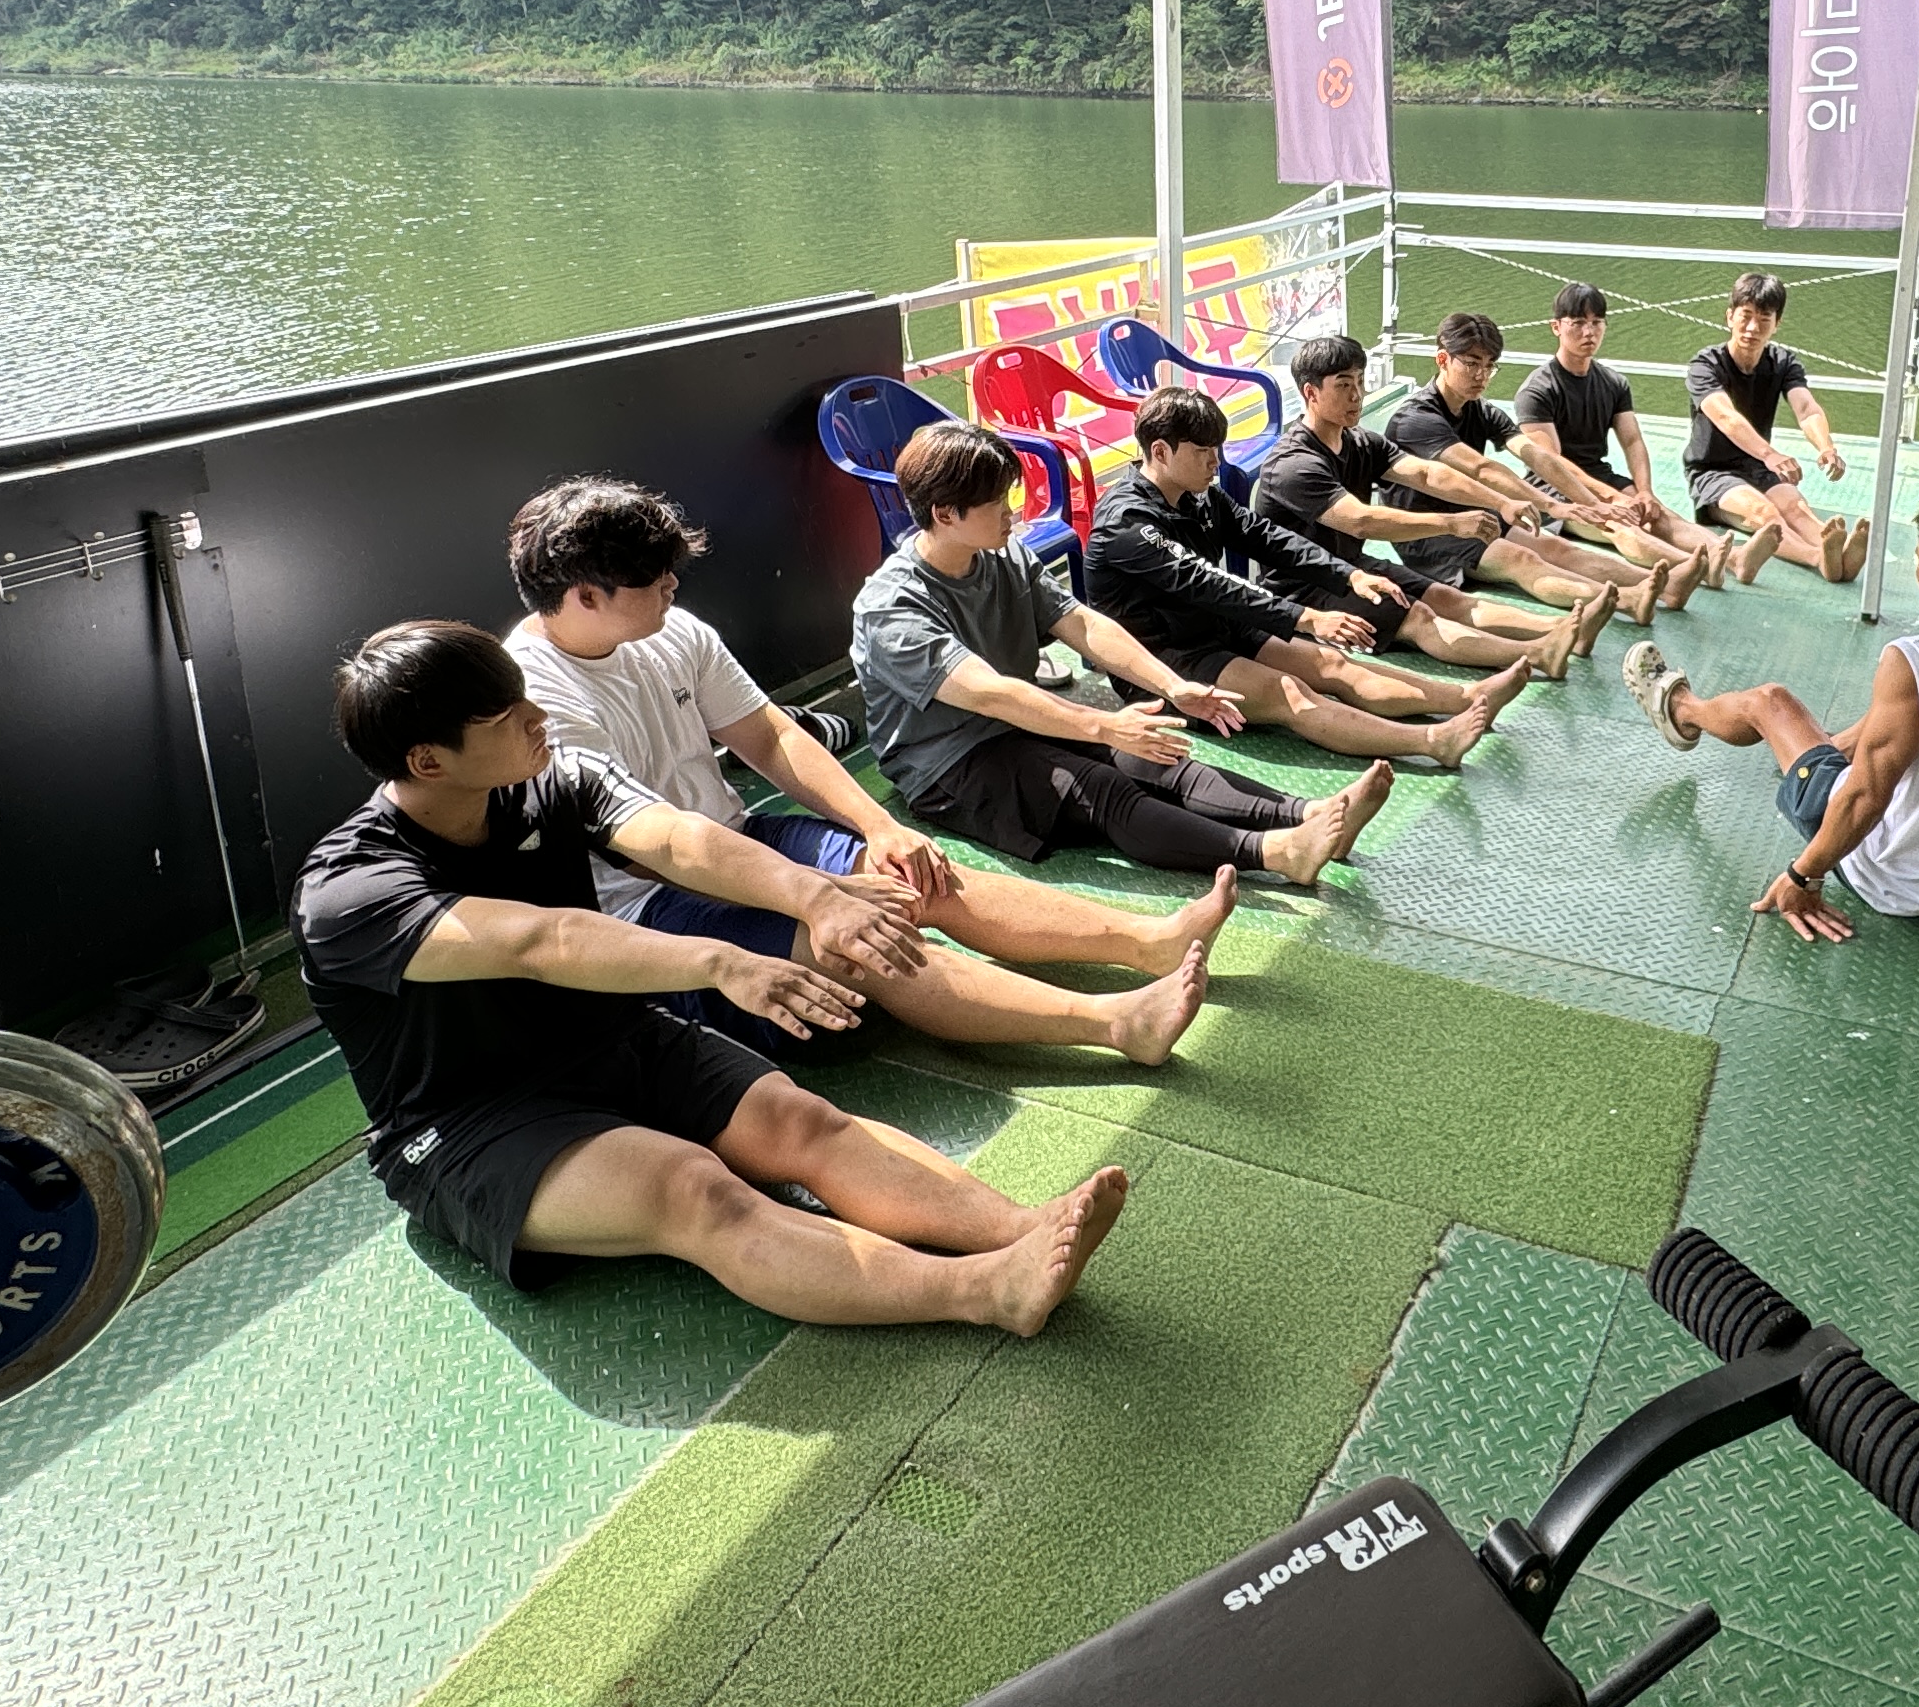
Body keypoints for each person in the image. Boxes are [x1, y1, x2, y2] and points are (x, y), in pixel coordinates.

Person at [295, 620, 1125, 1333]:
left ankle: (1019, 1228)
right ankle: (984, 1292)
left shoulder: (552, 777)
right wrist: (721, 961)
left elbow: (676, 838)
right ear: (428, 760)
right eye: (508, 716)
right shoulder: (350, 891)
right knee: (695, 1190)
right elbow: (540, 942)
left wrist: (817, 899)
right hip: (474, 1118)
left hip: (609, 1039)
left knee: (806, 1121)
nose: (538, 716)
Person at [499, 476, 1221, 1066]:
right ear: (585, 595)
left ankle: (1147, 940)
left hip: (737, 836)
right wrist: (817, 896)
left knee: (914, 872)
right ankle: (1115, 1023)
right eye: (654, 580)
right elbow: (650, 851)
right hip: (646, 901)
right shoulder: (534, 699)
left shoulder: (674, 633)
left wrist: (879, 828)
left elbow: (770, 737)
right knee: (864, 942)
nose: (672, 588)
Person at [855, 420, 1392, 884]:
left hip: (1017, 723)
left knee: (1159, 756)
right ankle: (1276, 853)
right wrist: (1105, 726)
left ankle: (1309, 813)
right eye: (997, 502)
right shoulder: (892, 606)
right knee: (1105, 787)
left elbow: (1082, 622)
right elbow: (989, 694)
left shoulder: (1002, 557)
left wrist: (1172, 685)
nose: (1011, 513)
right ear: (946, 513)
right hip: (948, 761)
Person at [1619, 491, 1919, 941]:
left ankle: (1680, 709)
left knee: (1770, 702)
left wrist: (1802, 877)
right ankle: (1832, 747)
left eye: (1918, 561)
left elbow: (1864, 796)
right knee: (1907, 717)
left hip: (1894, 881)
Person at [1087, 387, 1529, 767]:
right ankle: (1433, 742)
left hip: (1210, 624)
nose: (1215, 462)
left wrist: (1349, 577)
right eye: (1203, 452)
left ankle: (1467, 697)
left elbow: (1263, 536)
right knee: (1290, 693)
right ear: (1160, 452)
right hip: (1162, 657)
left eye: (1217, 449)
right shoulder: (1128, 523)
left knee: (1332, 664)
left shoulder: (1195, 495)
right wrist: (1307, 618)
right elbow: (1210, 584)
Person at [1256, 337, 1608, 674]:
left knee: (1447, 598)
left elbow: (1427, 473)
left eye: (1360, 381)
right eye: (1344, 385)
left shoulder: (1360, 442)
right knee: (1419, 617)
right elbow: (1361, 521)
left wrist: (1502, 502)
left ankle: (1565, 631)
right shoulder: (1294, 464)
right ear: (1311, 392)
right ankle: (1540, 654)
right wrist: (1451, 523)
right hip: (1304, 586)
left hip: (1351, 566)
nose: (1357, 395)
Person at [1380, 311, 1693, 619]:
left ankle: (1668, 586)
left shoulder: (1480, 409)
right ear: (1443, 360)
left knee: (1558, 547)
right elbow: (1483, 469)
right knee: (1521, 558)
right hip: (1425, 530)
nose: (1481, 376)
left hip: (1471, 514)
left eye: (1489, 366)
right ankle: (1628, 601)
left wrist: (1592, 504)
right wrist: (1553, 506)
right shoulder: (1416, 419)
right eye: (1472, 364)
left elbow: (1535, 455)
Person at [1511, 283, 1744, 575]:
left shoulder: (1614, 382)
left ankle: (1734, 557)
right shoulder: (1536, 390)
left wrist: (1644, 492)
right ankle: (1698, 569)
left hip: (1599, 474)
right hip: (1554, 488)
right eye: (1578, 323)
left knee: (1658, 514)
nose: (1589, 332)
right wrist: (1611, 498)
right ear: (1556, 327)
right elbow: (1551, 462)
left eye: (1597, 322)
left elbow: (1632, 441)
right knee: (1623, 525)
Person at [1685, 273, 1868, 585]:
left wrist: (1826, 447)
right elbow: (1727, 418)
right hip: (1713, 472)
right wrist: (1769, 454)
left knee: (1795, 508)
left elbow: (1806, 408)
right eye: (1745, 317)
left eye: (1764, 319)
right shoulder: (1705, 365)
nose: (1752, 328)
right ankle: (1819, 558)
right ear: (1730, 317)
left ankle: (1838, 552)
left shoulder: (1782, 362)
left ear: (1777, 323)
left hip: (1757, 466)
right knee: (1765, 513)